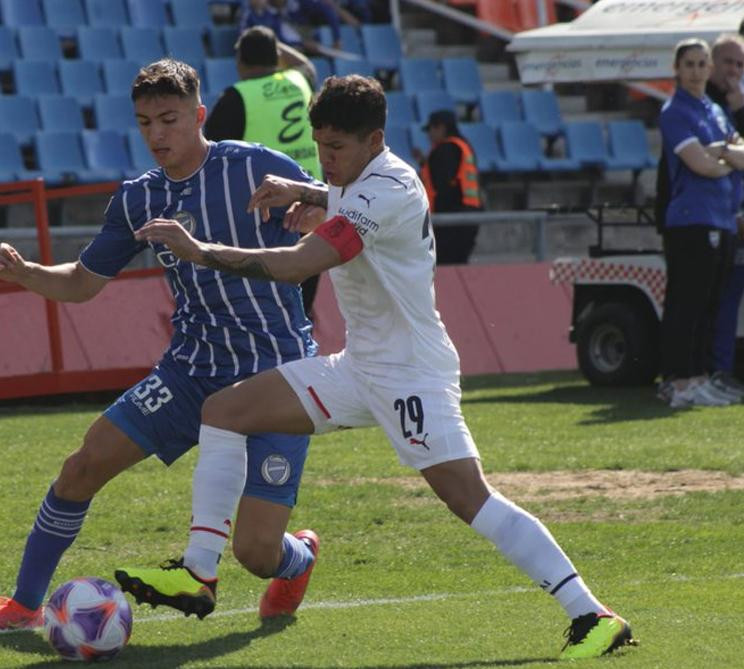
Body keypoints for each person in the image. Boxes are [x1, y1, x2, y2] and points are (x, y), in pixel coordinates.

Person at [115, 75, 636, 660]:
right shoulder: (354, 178)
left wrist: (200, 250)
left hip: (410, 374)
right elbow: (337, 195)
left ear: (375, 140)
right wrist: (304, 188)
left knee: (472, 500)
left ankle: (593, 615)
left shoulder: (387, 188)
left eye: (336, 148)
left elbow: (298, 264)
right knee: (225, 410)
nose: (326, 159)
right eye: (319, 145)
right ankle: (198, 572)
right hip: (358, 368)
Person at [0, 59, 321, 632]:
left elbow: (338, 205)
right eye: (145, 122)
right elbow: (81, 283)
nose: (156, 135)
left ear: (199, 116)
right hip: (190, 371)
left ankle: (298, 559)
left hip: (275, 376)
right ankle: (24, 605)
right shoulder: (138, 199)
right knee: (82, 466)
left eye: (169, 120)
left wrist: (312, 206)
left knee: (255, 553)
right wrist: (26, 272)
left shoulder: (255, 167)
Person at [206, 25, 323, 318]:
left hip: (266, 218)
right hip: (313, 211)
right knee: (300, 311)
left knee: (264, 311)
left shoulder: (236, 97)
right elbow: (305, 65)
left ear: (240, 62)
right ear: (276, 58)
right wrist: (274, 45)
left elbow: (209, 156)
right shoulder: (299, 81)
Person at [657, 39, 743, 408]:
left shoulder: (715, 110)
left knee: (711, 303)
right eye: (688, 64)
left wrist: (721, 152)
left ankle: (700, 377)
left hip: (720, 218)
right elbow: (700, 165)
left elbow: (730, 155)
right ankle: (679, 381)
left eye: (700, 64)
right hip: (692, 221)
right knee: (687, 304)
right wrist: (726, 157)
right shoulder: (675, 111)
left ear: (710, 69)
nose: (695, 71)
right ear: (677, 69)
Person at [706, 34, 744, 395]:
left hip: (729, 214)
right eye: (728, 62)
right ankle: (712, 371)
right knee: (718, 298)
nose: (733, 70)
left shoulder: (733, 106)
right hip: (716, 216)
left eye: (739, 64)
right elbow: (723, 155)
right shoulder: (706, 106)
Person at [413, 109, 482, 265]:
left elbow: (443, 185)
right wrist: (425, 163)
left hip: (452, 220)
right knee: (458, 264)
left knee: (445, 265)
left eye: (431, 129)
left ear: (441, 128)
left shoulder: (445, 149)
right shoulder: (463, 146)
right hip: (470, 216)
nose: (429, 135)